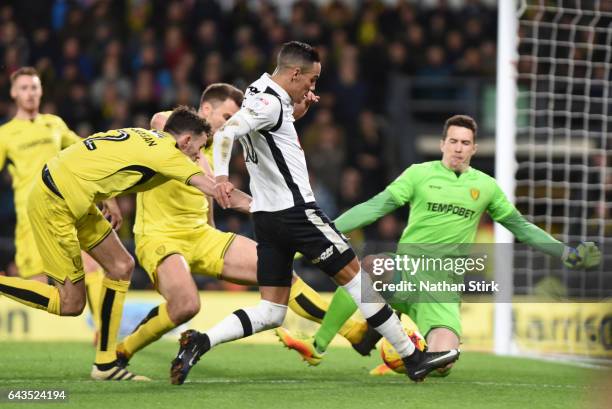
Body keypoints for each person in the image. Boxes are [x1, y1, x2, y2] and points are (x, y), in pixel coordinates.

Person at [170, 41, 459, 385]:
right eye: (312, 80)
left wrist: (296, 114)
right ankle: (413, 358)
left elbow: (266, 128)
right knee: (359, 280)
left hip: (266, 219)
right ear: (295, 73)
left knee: (271, 311)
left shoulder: (257, 92)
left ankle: (201, 341)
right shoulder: (268, 102)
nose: (312, 87)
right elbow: (227, 134)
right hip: (297, 213)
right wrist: (220, 177)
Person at [276, 114, 601, 375]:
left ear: (474, 149)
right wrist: (325, 233)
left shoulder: (486, 187)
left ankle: (388, 345)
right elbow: (375, 207)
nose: (459, 148)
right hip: (405, 273)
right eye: (454, 141)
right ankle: (318, 345)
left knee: (443, 362)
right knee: (373, 265)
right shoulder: (419, 174)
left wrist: (565, 252)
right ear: (443, 143)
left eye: (466, 143)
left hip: (443, 287)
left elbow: (522, 228)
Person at [116, 83, 366, 365]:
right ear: (206, 109)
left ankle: (353, 331)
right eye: (225, 118)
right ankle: (123, 350)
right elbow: (160, 122)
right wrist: (201, 162)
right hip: (159, 237)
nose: (229, 125)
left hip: (202, 236)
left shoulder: (219, 149)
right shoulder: (178, 130)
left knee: (281, 276)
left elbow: (229, 197)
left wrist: (277, 211)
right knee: (186, 307)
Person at [0, 107, 243, 381]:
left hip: (73, 193)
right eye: (197, 150)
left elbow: (94, 150)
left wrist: (108, 197)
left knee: (121, 265)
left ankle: (104, 365)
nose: (198, 157)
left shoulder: (143, 136)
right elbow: (215, 190)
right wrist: (266, 208)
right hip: (54, 202)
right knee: (70, 303)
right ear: (185, 141)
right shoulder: (169, 155)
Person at [0, 66, 111, 336]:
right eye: (24, 88)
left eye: (34, 87)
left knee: (94, 266)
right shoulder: (5, 134)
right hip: (30, 220)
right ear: (14, 93)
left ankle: (103, 336)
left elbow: (83, 149)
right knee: (42, 287)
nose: (30, 93)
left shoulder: (55, 124)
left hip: (63, 211)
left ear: (41, 91)